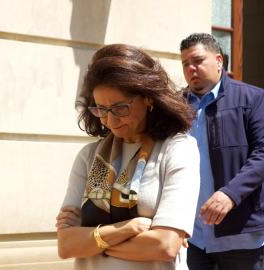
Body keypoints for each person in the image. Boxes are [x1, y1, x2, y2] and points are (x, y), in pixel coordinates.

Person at [56, 44, 200, 270]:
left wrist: (90, 240)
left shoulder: (177, 149)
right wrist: (128, 228)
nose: (110, 121)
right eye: (101, 109)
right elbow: (66, 246)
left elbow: (164, 246)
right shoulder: (88, 156)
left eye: (120, 108)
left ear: (148, 99)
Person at [180, 33, 264, 270]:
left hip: (240, 233)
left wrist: (230, 194)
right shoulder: (176, 106)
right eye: (185, 63)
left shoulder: (253, 98)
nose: (191, 68)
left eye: (197, 60)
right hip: (191, 237)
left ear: (219, 61)